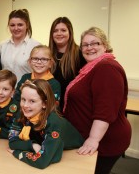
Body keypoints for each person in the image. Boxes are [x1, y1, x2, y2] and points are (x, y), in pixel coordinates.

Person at [63, 27, 131, 174]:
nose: (89, 48)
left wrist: (93, 139)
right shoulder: (91, 68)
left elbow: (105, 110)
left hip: (104, 143)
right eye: (85, 45)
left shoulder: (107, 67)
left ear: (105, 46)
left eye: (95, 43)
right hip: (92, 139)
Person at [8, 79, 84, 169]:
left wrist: (16, 153)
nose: (25, 105)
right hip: (44, 143)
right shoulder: (23, 113)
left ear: (44, 103)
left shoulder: (54, 123)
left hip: (76, 153)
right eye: (23, 99)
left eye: (32, 101)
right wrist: (32, 145)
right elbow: (12, 142)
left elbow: (42, 162)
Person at [48, 17, 86, 113]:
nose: (59, 33)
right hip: (50, 107)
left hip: (72, 108)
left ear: (70, 33)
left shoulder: (80, 54)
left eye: (63, 30)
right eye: (55, 31)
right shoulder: (46, 54)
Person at [0, 9, 40, 82]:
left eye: (20, 25)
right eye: (12, 25)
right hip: (5, 91)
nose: (16, 28)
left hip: (26, 90)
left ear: (27, 25)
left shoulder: (36, 46)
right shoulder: (2, 45)